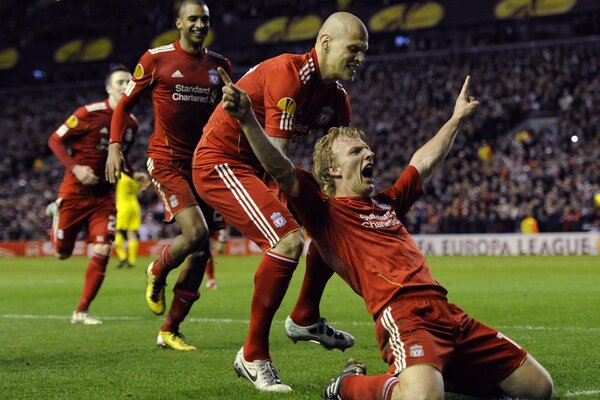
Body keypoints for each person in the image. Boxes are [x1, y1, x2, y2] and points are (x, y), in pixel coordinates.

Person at [218, 70, 554, 400]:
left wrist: (457, 119)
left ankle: (438, 374)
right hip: (403, 316)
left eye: (367, 149)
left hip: (449, 314)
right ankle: (347, 387)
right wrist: (248, 119)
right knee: (422, 398)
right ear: (332, 170)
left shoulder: (387, 203)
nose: (369, 154)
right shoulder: (323, 211)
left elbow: (423, 162)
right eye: (356, 152)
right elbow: (280, 167)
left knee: (540, 388)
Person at [192, 11, 368, 392]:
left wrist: (341, 211)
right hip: (222, 162)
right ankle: (252, 355)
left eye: (364, 52)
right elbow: (278, 161)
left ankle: (305, 315)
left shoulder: (336, 98)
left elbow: (333, 165)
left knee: (328, 221)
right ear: (324, 44)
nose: (360, 58)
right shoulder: (289, 75)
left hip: (264, 168)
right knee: (286, 241)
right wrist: (287, 216)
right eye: (353, 48)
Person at [105, 0, 232, 350]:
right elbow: (126, 104)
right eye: (192, 18)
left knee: (201, 251)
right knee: (195, 233)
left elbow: (226, 115)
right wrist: (115, 145)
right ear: (179, 22)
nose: (199, 24)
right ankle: (157, 270)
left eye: (204, 19)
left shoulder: (220, 66)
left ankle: (169, 330)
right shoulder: (155, 59)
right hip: (166, 161)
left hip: (204, 163)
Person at [46, 64, 139, 325]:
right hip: (75, 193)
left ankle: (81, 311)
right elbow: (54, 140)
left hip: (104, 197)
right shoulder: (88, 113)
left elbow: (121, 157)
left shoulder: (132, 124)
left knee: (103, 249)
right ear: (109, 88)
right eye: (119, 82)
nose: (124, 85)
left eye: (128, 81)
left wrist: (134, 173)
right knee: (61, 253)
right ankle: (56, 214)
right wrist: (75, 168)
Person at [114, 172, 150, 268]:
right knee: (132, 233)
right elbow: (142, 189)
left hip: (122, 206)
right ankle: (132, 261)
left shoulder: (122, 175)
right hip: (134, 206)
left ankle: (122, 257)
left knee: (117, 231)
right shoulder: (135, 178)